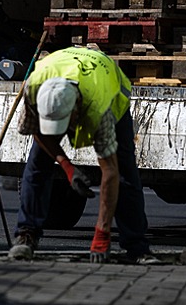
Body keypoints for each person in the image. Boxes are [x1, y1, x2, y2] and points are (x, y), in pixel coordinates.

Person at [10, 46, 160, 264]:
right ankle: (26, 235)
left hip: (108, 86)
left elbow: (109, 171)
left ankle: (137, 247)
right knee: (37, 164)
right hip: (63, 71)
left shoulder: (100, 108)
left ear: (77, 110)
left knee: (124, 173)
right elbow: (37, 133)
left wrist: (102, 232)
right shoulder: (34, 88)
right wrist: (67, 167)